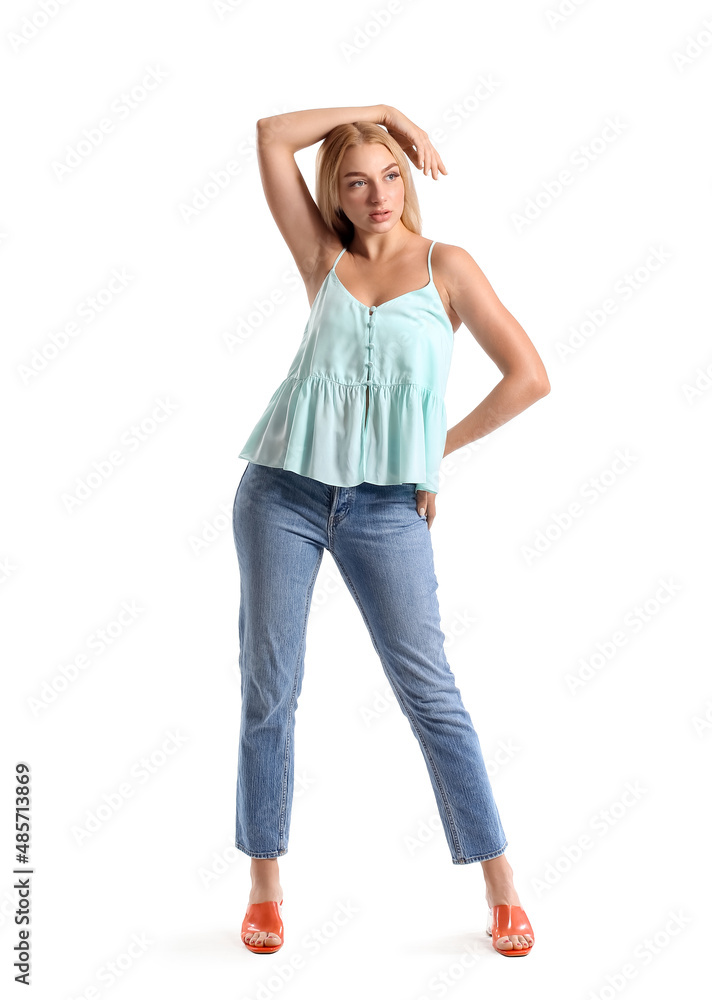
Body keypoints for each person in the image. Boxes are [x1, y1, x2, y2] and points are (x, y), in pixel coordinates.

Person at [232, 104, 550, 958]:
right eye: (356, 181)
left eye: (391, 175)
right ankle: (265, 884)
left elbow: (529, 377)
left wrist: (431, 453)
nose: (377, 195)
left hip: (385, 509)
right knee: (271, 688)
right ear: (334, 196)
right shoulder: (322, 258)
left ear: (410, 182)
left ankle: (500, 878)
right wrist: (378, 109)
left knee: (432, 694)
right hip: (282, 493)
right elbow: (270, 135)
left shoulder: (448, 268)